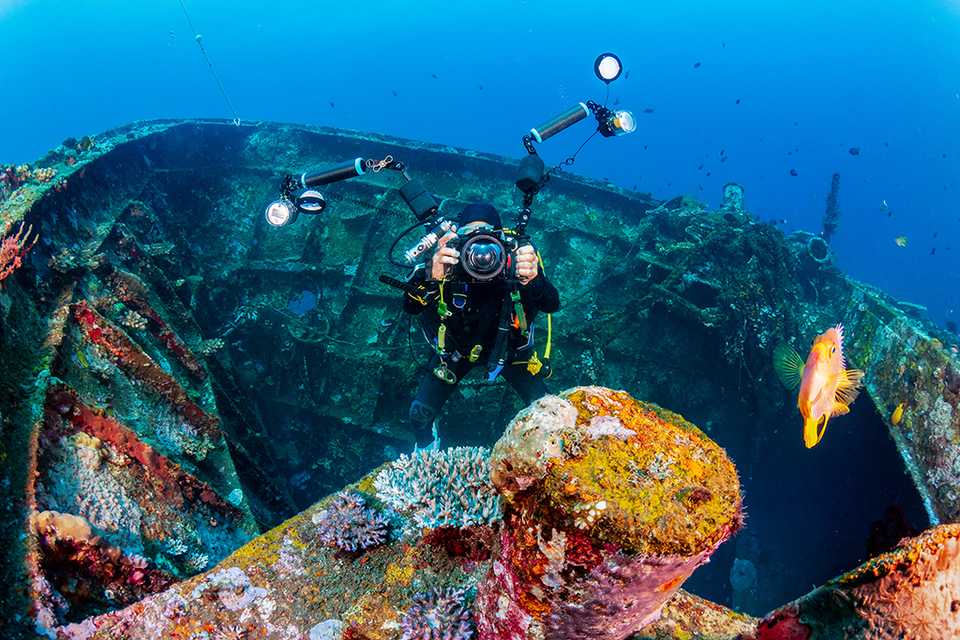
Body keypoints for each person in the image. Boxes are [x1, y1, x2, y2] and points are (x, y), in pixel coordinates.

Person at [401, 202, 560, 448]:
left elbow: (551, 304)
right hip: (454, 353)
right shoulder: (445, 266)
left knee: (549, 416)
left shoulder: (514, 266)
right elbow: (411, 307)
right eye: (468, 235)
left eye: (487, 234)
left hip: (511, 353)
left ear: (501, 237)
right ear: (456, 238)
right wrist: (432, 279)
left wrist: (533, 280)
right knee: (417, 415)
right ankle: (426, 445)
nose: (481, 250)